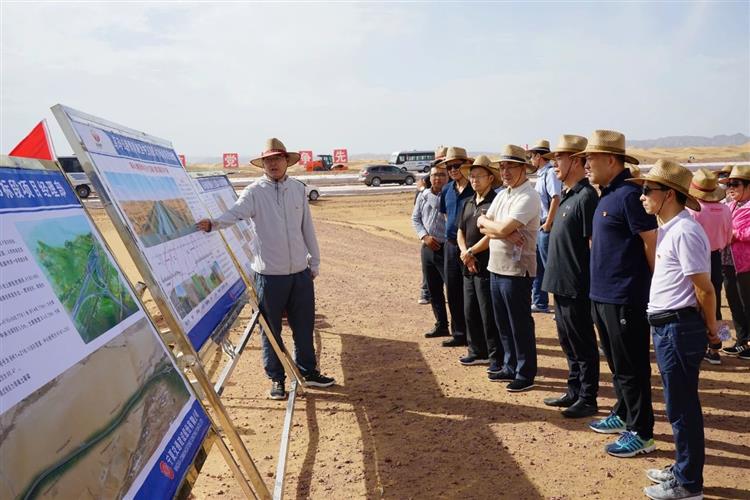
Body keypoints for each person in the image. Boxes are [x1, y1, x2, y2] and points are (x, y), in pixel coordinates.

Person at [196, 138, 334, 400]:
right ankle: (277, 379)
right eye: (268, 160)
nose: (273, 164)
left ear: (286, 161)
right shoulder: (254, 192)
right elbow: (235, 213)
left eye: (277, 159)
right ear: (263, 164)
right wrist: (213, 224)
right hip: (269, 275)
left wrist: (314, 262)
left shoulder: (298, 189)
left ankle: (309, 372)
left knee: (304, 325)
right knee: (271, 330)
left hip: (300, 273)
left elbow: (307, 228)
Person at [627, 160, 717, 500]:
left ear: (668, 194)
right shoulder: (669, 228)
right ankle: (682, 470)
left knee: (682, 408)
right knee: (676, 405)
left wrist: (713, 330)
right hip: (668, 327)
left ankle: (689, 484)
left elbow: (704, 289)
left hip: (679, 328)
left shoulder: (684, 231)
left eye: (647, 190)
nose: (642, 196)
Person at [574, 130, 657, 457]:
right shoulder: (607, 195)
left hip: (625, 296)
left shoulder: (629, 196)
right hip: (603, 295)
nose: (586, 164)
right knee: (618, 363)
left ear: (611, 160)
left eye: (590, 158)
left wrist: (653, 285)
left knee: (632, 366)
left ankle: (641, 432)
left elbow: (650, 241)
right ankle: (623, 413)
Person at [540, 135, 601, 418]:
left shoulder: (587, 197)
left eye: (559, 158)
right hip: (560, 284)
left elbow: (592, 245)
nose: (554, 164)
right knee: (567, 342)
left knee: (583, 343)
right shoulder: (568, 194)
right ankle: (574, 390)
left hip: (577, 285)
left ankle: (588, 398)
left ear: (575, 161)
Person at [478, 144, 541, 392]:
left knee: (519, 324)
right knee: (503, 322)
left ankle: (525, 373)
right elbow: (481, 222)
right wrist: (501, 231)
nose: (504, 171)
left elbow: (499, 227)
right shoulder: (504, 194)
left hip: (516, 269)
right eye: (502, 167)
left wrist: (500, 229)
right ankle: (509, 365)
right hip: (496, 266)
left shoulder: (528, 196)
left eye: (510, 167)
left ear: (523, 168)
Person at [456, 155, 503, 370]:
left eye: (479, 176)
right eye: (472, 176)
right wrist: (465, 252)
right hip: (468, 264)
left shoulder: (495, 202)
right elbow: (460, 230)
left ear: (490, 178)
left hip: (486, 263)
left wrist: (472, 252)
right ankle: (476, 351)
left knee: (488, 313)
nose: (474, 180)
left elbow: (491, 234)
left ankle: (495, 357)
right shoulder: (468, 202)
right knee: (470, 310)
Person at [687, 168, 732, 365]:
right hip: (716, 257)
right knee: (715, 301)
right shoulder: (725, 209)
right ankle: (717, 346)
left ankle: (701, 345)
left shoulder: (693, 211)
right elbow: (728, 237)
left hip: (697, 259)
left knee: (698, 303)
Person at [437, 147, 474, 347]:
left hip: (472, 247)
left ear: (466, 165)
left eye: (456, 166)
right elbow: (445, 215)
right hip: (451, 246)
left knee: (471, 293)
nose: (452, 170)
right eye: (449, 167)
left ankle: (475, 336)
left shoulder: (475, 188)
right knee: (452, 291)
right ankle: (459, 333)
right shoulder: (446, 190)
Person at [412, 166, 451, 340]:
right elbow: (415, 218)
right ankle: (441, 325)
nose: (438, 178)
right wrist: (424, 236)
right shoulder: (423, 196)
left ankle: (460, 329)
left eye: (442, 175)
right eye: (435, 175)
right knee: (434, 289)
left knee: (453, 291)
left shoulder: (450, 195)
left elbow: (438, 205)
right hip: (428, 248)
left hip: (446, 248)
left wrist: (423, 190)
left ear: (448, 177)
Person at [720, 165, 750, 360]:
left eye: (735, 184)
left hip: (746, 264)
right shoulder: (729, 205)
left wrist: (736, 234)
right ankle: (741, 341)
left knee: (748, 304)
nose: (730, 188)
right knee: (734, 303)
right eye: (728, 184)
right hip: (728, 262)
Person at [529, 139, 562, 313]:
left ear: (539, 156)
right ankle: (539, 301)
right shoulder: (541, 174)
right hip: (540, 226)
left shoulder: (550, 174)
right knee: (539, 267)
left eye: (532, 156)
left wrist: (548, 223)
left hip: (547, 226)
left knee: (551, 267)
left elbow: (556, 197)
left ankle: (560, 307)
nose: (530, 159)